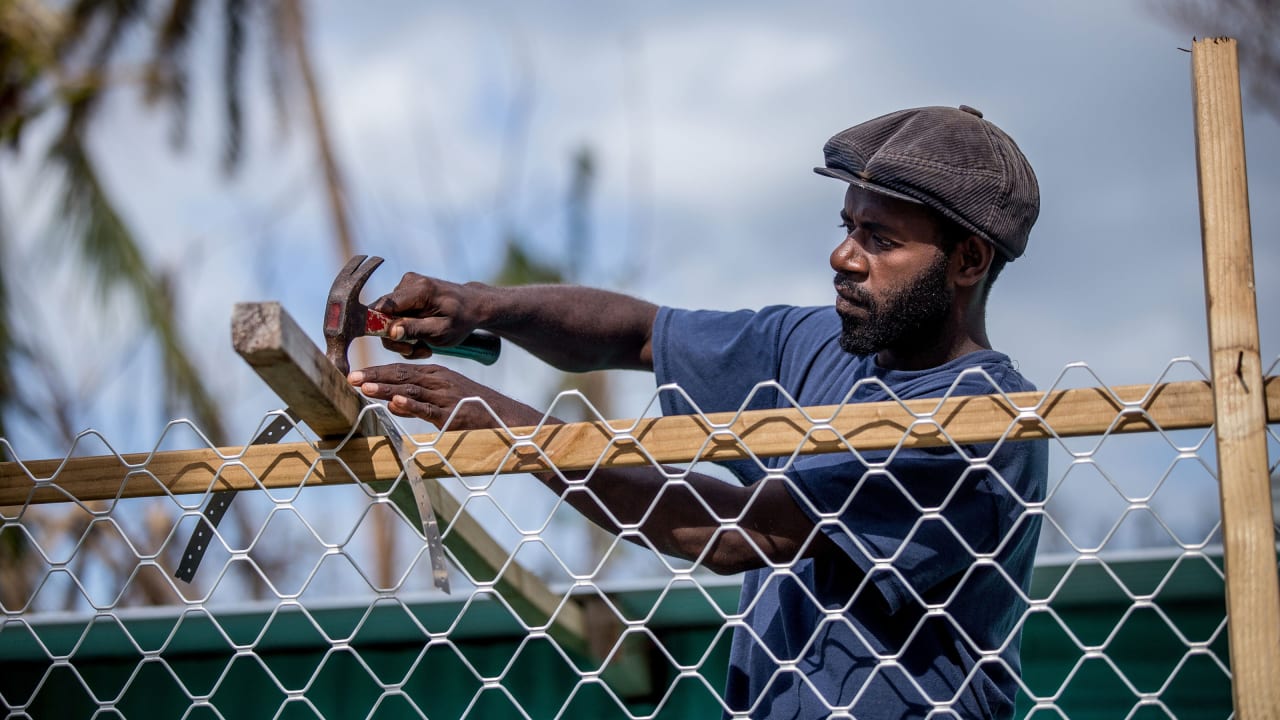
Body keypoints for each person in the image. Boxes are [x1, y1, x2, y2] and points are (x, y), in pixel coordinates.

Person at [347, 105, 1048, 719]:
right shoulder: (816, 346)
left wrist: (514, 430)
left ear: (968, 261)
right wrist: (479, 305)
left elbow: (735, 535)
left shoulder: (980, 422)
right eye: (847, 226)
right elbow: (644, 333)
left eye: (881, 239)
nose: (843, 255)